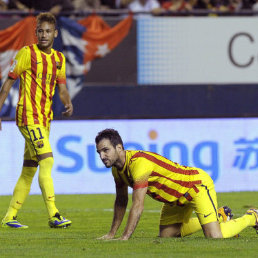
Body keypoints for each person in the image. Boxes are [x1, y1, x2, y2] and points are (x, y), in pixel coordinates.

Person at [95, 128, 258, 240]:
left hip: (195, 186)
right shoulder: (117, 170)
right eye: (99, 152)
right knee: (167, 235)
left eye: (105, 150)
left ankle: (252, 217)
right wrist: (111, 233)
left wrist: (124, 237)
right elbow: (121, 202)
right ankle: (220, 216)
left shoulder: (139, 164)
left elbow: (138, 205)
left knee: (215, 236)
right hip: (173, 200)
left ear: (119, 147)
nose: (102, 156)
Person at [0, 12, 73, 229]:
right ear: (36, 32)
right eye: (40, 31)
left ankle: (10, 216)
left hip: (44, 120)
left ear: (55, 33)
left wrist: (67, 102)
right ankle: (54, 214)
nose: (43, 35)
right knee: (47, 161)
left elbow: (62, 89)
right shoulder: (26, 53)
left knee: (29, 169)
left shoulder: (59, 59)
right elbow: (7, 84)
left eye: (48, 31)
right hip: (27, 116)